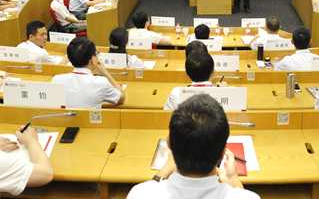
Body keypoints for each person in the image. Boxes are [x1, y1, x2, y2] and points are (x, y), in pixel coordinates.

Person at [129, 94, 260, 199]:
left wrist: (163, 172)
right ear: (223, 153)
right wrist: (233, 179)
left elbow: (149, 189)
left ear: (169, 144)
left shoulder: (139, 194)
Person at [52, 37, 125, 108]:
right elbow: (121, 98)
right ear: (92, 59)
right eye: (96, 53)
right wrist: (105, 72)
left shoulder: (56, 80)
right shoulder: (101, 82)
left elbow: (52, 107)